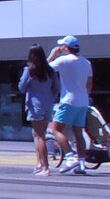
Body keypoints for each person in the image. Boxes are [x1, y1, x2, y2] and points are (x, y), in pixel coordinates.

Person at [49, 35, 95, 175]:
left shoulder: (63, 60)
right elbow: (89, 83)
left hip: (68, 100)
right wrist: (84, 96)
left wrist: (53, 54)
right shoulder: (86, 62)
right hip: (83, 100)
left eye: (61, 45)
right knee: (78, 133)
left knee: (55, 129)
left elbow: (44, 69)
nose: (60, 47)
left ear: (65, 47)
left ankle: (70, 157)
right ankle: (81, 164)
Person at [18, 45, 59, 176]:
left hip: (35, 105)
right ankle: (39, 163)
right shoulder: (50, 71)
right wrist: (51, 98)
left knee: (39, 136)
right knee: (38, 134)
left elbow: (22, 87)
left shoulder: (29, 70)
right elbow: (57, 88)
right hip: (48, 104)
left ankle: (45, 167)